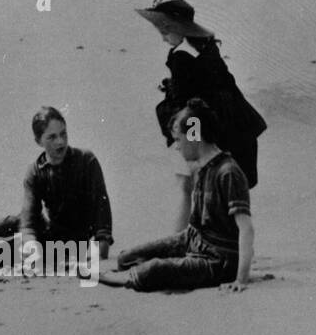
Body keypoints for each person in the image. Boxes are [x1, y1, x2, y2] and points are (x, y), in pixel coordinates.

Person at [135, 0, 266, 231]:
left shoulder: (181, 57)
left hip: (216, 129)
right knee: (223, 191)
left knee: (190, 184)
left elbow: (191, 108)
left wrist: (194, 148)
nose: (162, 36)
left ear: (176, 28)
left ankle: (181, 240)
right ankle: (220, 240)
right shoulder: (204, 45)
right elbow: (211, 87)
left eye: (164, 30)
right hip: (237, 128)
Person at [99, 99, 253, 293]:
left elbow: (246, 229)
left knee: (153, 270)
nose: (177, 147)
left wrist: (241, 279)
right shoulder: (202, 167)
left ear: (194, 134)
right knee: (126, 258)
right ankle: (133, 271)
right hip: (193, 241)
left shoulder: (228, 171)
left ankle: (129, 277)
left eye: (179, 139)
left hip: (218, 259)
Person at [0, 106, 113, 272]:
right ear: (39, 141)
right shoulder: (35, 171)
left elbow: (103, 212)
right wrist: (30, 243)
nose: (61, 141)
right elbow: (28, 220)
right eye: (52, 137)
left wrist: (102, 253)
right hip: (42, 230)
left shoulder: (86, 161)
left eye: (63, 134)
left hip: (66, 246)